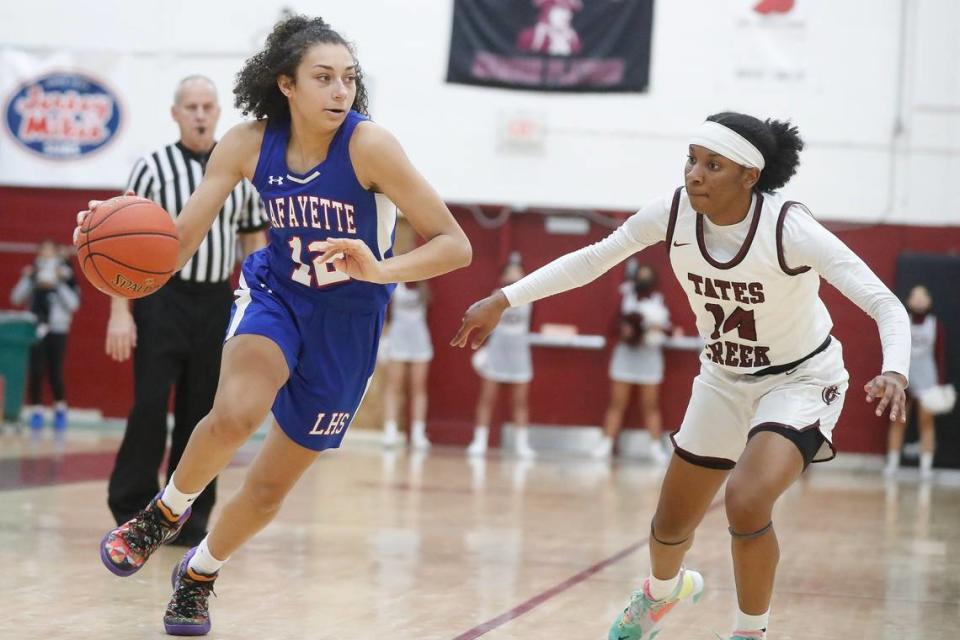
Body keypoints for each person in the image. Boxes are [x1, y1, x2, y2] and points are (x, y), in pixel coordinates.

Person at [80, 15, 471, 636]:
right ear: (286, 84)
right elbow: (176, 246)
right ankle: (165, 511)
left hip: (349, 323)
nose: (341, 91)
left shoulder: (371, 147)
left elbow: (456, 246)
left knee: (266, 491)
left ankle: (199, 575)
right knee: (237, 410)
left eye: (349, 78)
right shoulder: (246, 144)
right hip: (276, 294)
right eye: (324, 78)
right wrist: (108, 235)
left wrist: (380, 267)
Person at [452, 112, 909, 640]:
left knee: (747, 499)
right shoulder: (672, 212)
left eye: (713, 165)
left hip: (800, 379)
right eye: (692, 160)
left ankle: (748, 632)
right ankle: (663, 593)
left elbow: (884, 303)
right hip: (721, 377)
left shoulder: (788, 228)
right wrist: (504, 298)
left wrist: (894, 369)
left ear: (748, 177)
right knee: (670, 525)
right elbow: (595, 258)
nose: (694, 174)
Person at [105, 75, 269, 549]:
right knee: (149, 405)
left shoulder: (240, 170)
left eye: (207, 106)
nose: (200, 114)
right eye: (191, 107)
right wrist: (121, 313)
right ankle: (133, 509)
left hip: (217, 301)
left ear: (218, 112)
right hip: (162, 298)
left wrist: (254, 310)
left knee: (205, 413)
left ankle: (190, 517)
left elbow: (253, 243)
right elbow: (119, 248)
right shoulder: (152, 169)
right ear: (175, 114)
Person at [593, 262, 671, 462]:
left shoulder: (659, 299)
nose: (644, 280)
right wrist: (625, 332)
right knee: (617, 403)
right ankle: (606, 443)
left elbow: (669, 331)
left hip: (650, 358)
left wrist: (657, 330)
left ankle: (655, 448)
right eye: (640, 275)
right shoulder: (625, 299)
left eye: (647, 276)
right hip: (626, 357)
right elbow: (611, 327)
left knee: (650, 405)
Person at [466, 254, 536, 459]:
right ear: (504, 275)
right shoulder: (495, 296)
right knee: (487, 398)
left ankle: (522, 444)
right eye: (511, 269)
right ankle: (479, 441)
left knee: (520, 401)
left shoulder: (531, 294)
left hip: (519, 352)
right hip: (497, 350)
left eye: (518, 269)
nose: (515, 273)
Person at [9, 240, 80, 433]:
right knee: (36, 369)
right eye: (43, 251)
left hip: (58, 328)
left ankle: (60, 409)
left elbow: (74, 304)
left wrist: (56, 284)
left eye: (51, 251)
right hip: (35, 327)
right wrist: (29, 280)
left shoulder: (66, 276)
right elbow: (16, 298)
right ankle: (37, 410)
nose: (47, 255)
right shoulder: (34, 272)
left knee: (55, 370)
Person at [885, 285, 946, 479]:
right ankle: (892, 464)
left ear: (929, 301)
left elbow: (940, 356)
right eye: (915, 296)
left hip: (928, 378)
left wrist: (940, 384)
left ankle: (926, 467)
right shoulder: (902, 323)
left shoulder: (936, 325)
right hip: (905, 377)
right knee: (897, 420)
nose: (919, 299)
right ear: (909, 300)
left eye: (923, 296)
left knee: (926, 423)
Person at [381, 278, 434, 449]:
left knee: (418, 387)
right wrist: (384, 340)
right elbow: (386, 314)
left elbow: (429, 302)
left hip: (419, 339)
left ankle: (418, 433)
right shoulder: (395, 286)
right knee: (393, 385)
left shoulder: (423, 289)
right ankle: (390, 431)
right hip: (398, 338)